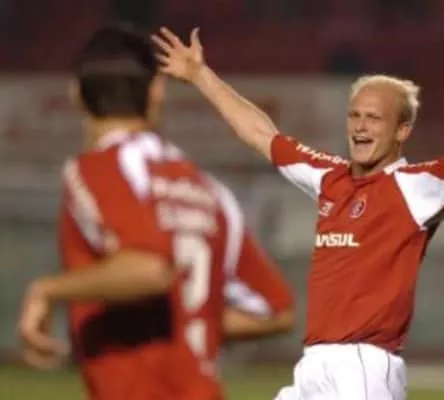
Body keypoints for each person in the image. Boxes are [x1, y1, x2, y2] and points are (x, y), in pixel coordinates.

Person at [152, 26, 444, 400]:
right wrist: (201, 75)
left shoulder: (414, 186)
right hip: (313, 364)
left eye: (374, 118)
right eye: (355, 115)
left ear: (402, 130)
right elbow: (261, 134)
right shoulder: (329, 176)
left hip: (363, 364)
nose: (360, 127)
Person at [18, 23, 295, 400]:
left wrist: (46, 291)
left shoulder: (98, 169)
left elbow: (148, 268)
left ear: (76, 94)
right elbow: (276, 312)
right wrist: (186, 319)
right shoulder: (207, 189)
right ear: (156, 91)